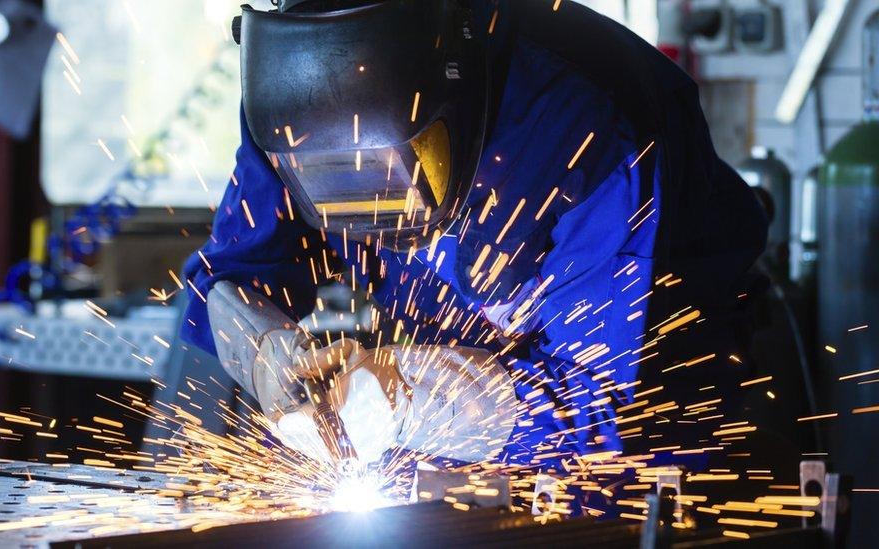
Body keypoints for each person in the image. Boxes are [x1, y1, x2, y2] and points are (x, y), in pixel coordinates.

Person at [181, 0, 768, 468]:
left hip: (644, 445)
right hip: (441, 438)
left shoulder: (587, 129)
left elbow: (599, 404)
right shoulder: (289, 101)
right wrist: (266, 354)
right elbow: (231, 278)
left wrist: (410, 396)